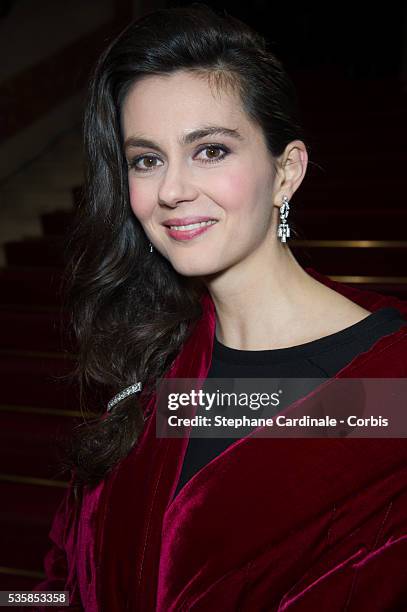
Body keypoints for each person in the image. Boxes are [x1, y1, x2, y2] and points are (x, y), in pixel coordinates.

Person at [32, 3, 407, 610]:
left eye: (210, 150)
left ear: (287, 171)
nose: (173, 190)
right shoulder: (156, 369)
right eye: (146, 160)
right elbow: (59, 590)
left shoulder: (390, 387)